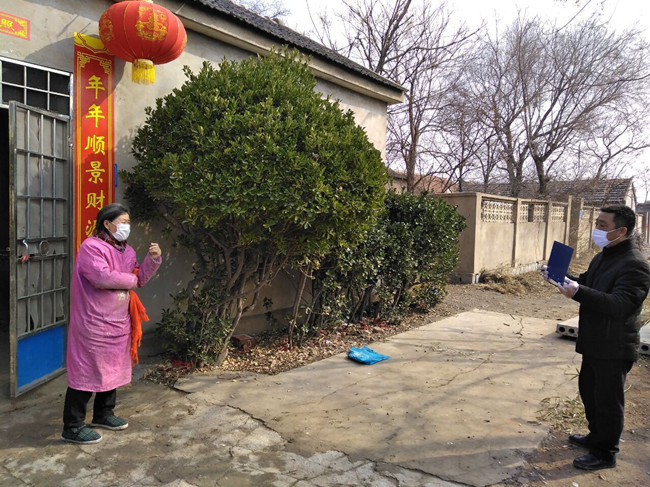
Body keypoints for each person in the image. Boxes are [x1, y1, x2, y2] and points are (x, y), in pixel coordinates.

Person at [544, 205, 649, 471]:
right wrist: (559, 278)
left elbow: (619, 304)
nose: (596, 229)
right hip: (594, 340)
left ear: (621, 231)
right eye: (597, 223)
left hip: (614, 345)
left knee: (608, 402)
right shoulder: (603, 257)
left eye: (603, 225)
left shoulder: (635, 265)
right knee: (589, 392)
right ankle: (596, 436)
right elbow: (587, 282)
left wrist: (578, 291)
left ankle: (605, 453)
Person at [61, 203, 162, 444]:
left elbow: (140, 278)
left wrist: (153, 259)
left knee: (112, 369)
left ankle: (104, 414)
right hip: (93, 322)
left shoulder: (127, 251)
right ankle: (72, 425)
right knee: (86, 370)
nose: (127, 226)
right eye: (122, 222)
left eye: (128, 222)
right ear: (107, 223)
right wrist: (132, 280)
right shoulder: (91, 247)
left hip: (118, 320)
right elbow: (102, 277)